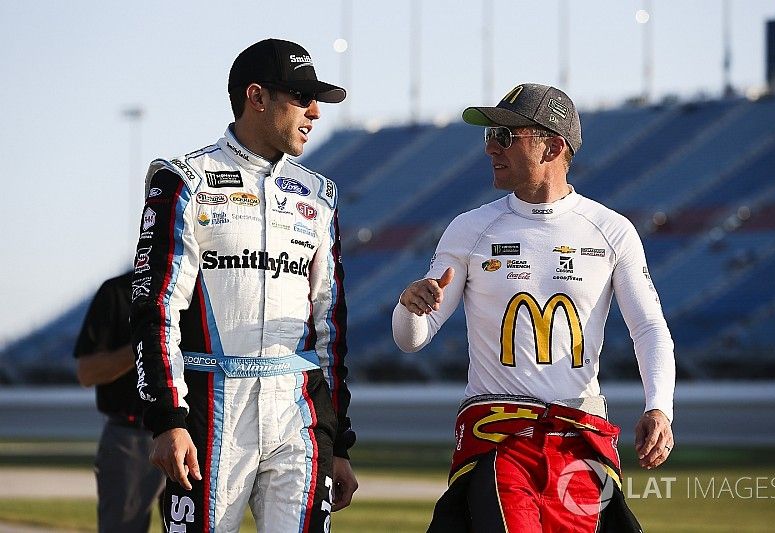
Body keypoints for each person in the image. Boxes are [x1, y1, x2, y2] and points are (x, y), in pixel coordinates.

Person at [392, 83, 675, 532]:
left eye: (506, 136)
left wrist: (659, 406)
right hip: (496, 435)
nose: (490, 149)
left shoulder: (611, 230)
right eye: (488, 136)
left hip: (579, 435)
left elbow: (649, 328)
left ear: (554, 146)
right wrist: (409, 306)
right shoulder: (469, 228)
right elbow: (412, 340)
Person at [130, 38, 357, 533]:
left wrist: (338, 443)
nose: (316, 112)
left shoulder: (320, 195)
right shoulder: (184, 179)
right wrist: (168, 419)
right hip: (211, 409)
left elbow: (330, 328)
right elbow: (156, 308)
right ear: (257, 96)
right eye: (301, 97)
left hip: (295, 413)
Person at [74, 270, 165, 533]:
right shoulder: (117, 292)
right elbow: (87, 373)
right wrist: (141, 345)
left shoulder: (204, 293)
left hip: (193, 433)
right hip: (131, 440)